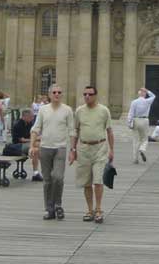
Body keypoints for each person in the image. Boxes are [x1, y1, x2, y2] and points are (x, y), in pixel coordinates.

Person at [30, 84, 75, 220]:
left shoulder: (67, 110)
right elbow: (36, 128)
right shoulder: (43, 110)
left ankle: (58, 204)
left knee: (58, 177)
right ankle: (49, 208)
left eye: (59, 92)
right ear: (49, 95)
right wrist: (32, 145)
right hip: (45, 147)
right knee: (47, 180)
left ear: (62, 95)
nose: (56, 94)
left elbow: (72, 130)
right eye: (54, 92)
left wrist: (72, 149)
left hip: (60, 147)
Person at [71, 85, 114, 224]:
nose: (87, 97)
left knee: (98, 180)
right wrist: (73, 149)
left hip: (100, 147)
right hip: (84, 148)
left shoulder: (103, 110)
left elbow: (109, 131)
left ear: (96, 95)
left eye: (89, 94)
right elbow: (75, 131)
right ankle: (89, 210)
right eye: (85, 94)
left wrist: (111, 150)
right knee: (87, 182)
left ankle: (99, 209)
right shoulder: (79, 111)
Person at [126, 87, 155, 164]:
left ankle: (135, 159)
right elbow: (153, 96)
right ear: (144, 94)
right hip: (145, 120)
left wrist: (129, 122)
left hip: (136, 120)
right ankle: (142, 149)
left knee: (135, 140)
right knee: (145, 138)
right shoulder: (147, 101)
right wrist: (147, 90)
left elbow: (131, 113)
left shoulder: (134, 102)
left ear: (138, 94)